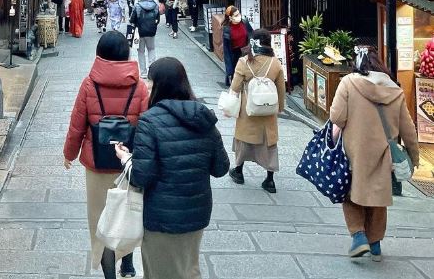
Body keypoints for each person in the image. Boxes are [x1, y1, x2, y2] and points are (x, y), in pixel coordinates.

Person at [114, 57, 229, 279]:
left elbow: (141, 177)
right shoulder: (203, 117)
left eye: (150, 81)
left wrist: (125, 158)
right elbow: (221, 167)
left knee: (160, 272)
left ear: (160, 86)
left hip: (162, 217)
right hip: (197, 214)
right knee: (189, 270)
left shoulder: (150, 121)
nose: (146, 86)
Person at [63, 31, 149, 279]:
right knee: (129, 213)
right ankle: (129, 264)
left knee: (101, 221)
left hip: (97, 165)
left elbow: (77, 124)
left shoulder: (89, 84)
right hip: (129, 163)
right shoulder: (139, 86)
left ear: (99, 54)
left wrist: (69, 153)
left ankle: (109, 275)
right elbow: (145, 128)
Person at [330, 46, 419, 261]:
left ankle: (359, 235)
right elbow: (408, 129)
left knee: (351, 195)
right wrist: (414, 158)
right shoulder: (395, 90)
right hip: (383, 155)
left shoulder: (348, 83)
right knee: (377, 199)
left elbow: (337, 117)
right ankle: (375, 243)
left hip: (354, 152)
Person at [229, 29, 286, 193]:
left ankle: (238, 171)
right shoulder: (275, 63)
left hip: (249, 110)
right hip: (268, 111)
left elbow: (235, 87)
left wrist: (230, 105)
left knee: (244, 140)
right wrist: (279, 108)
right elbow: (281, 90)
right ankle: (269, 180)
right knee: (268, 144)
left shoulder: (244, 62)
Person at [129, 0, 160, 78]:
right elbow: (157, 19)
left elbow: (132, 19)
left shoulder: (137, 6)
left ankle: (143, 73)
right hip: (151, 31)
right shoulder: (155, 6)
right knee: (151, 49)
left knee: (141, 51)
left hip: (140, 32)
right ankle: (152, 71)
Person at [222, 5, 253, 86]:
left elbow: (251, 34)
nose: (238, 16)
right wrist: (229, 70)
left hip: (245, 51)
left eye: (239, 14)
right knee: (236, 77)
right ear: (230, 17)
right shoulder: (227, 29)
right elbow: (226, 51)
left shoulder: (245, 22)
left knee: (246, 76)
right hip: (234, 53)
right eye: (236, 15)